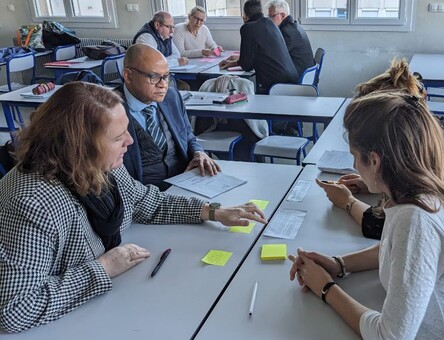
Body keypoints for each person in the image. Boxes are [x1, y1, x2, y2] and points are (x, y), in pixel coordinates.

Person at [0, 82, 267, 333]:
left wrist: (213, 211)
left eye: (126, 129)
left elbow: (147, 202)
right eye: (118, 137)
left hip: (107, 307)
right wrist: (104, 269)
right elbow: (15, 308)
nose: (129, 141)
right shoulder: (33, 202)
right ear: (80, 145)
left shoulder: (99, 166)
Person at [289, 91, 444, 339]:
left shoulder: (416, 219)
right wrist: (339, 264)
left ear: (375, 161)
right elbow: (395, 250)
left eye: (356, 157)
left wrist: (325, 288)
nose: (354, 165)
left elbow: (389, 336)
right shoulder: (416, 189)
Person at [316, 59, 444, 285]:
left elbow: (383, 227)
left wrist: (348, 202)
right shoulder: (429, 139)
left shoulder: (415, 214)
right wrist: (374, 180)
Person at [119, 44, 219, 190]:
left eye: (166, 76)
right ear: (128, 75)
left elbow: (188, 135)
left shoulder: (172, 97)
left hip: (186, 182)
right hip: (144, 195)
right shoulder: (109, 109)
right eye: (154, 77)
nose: (163, 85)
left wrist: (199, 152)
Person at [219, 0, 298, 95]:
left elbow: (246, 65)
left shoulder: (247, 28)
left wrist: (236, 63)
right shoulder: (270, 23)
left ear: (245, 15)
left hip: (276, 86)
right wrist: (235, 63)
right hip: (292, 79)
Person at [266, 0, 315, 79]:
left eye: (271, 16)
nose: (269, 20)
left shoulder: (287, 32)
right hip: (305, 75)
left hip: (299, 77)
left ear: (282, 15)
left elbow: (276, 56)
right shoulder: (294, 26)